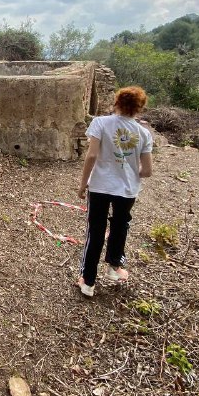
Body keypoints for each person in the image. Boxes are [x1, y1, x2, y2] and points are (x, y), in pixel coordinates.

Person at [77, 86, 153, 297]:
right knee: (120, 227)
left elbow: (92, 156)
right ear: (139, 108)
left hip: (100, 186)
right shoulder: (144, 133)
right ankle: (114, 268)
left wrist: (83, 184)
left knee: (95, 231)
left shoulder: (100, 123)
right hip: (127, 190)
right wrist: (131, 171)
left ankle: (88, 281)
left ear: (116, 102)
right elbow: (147, 171)